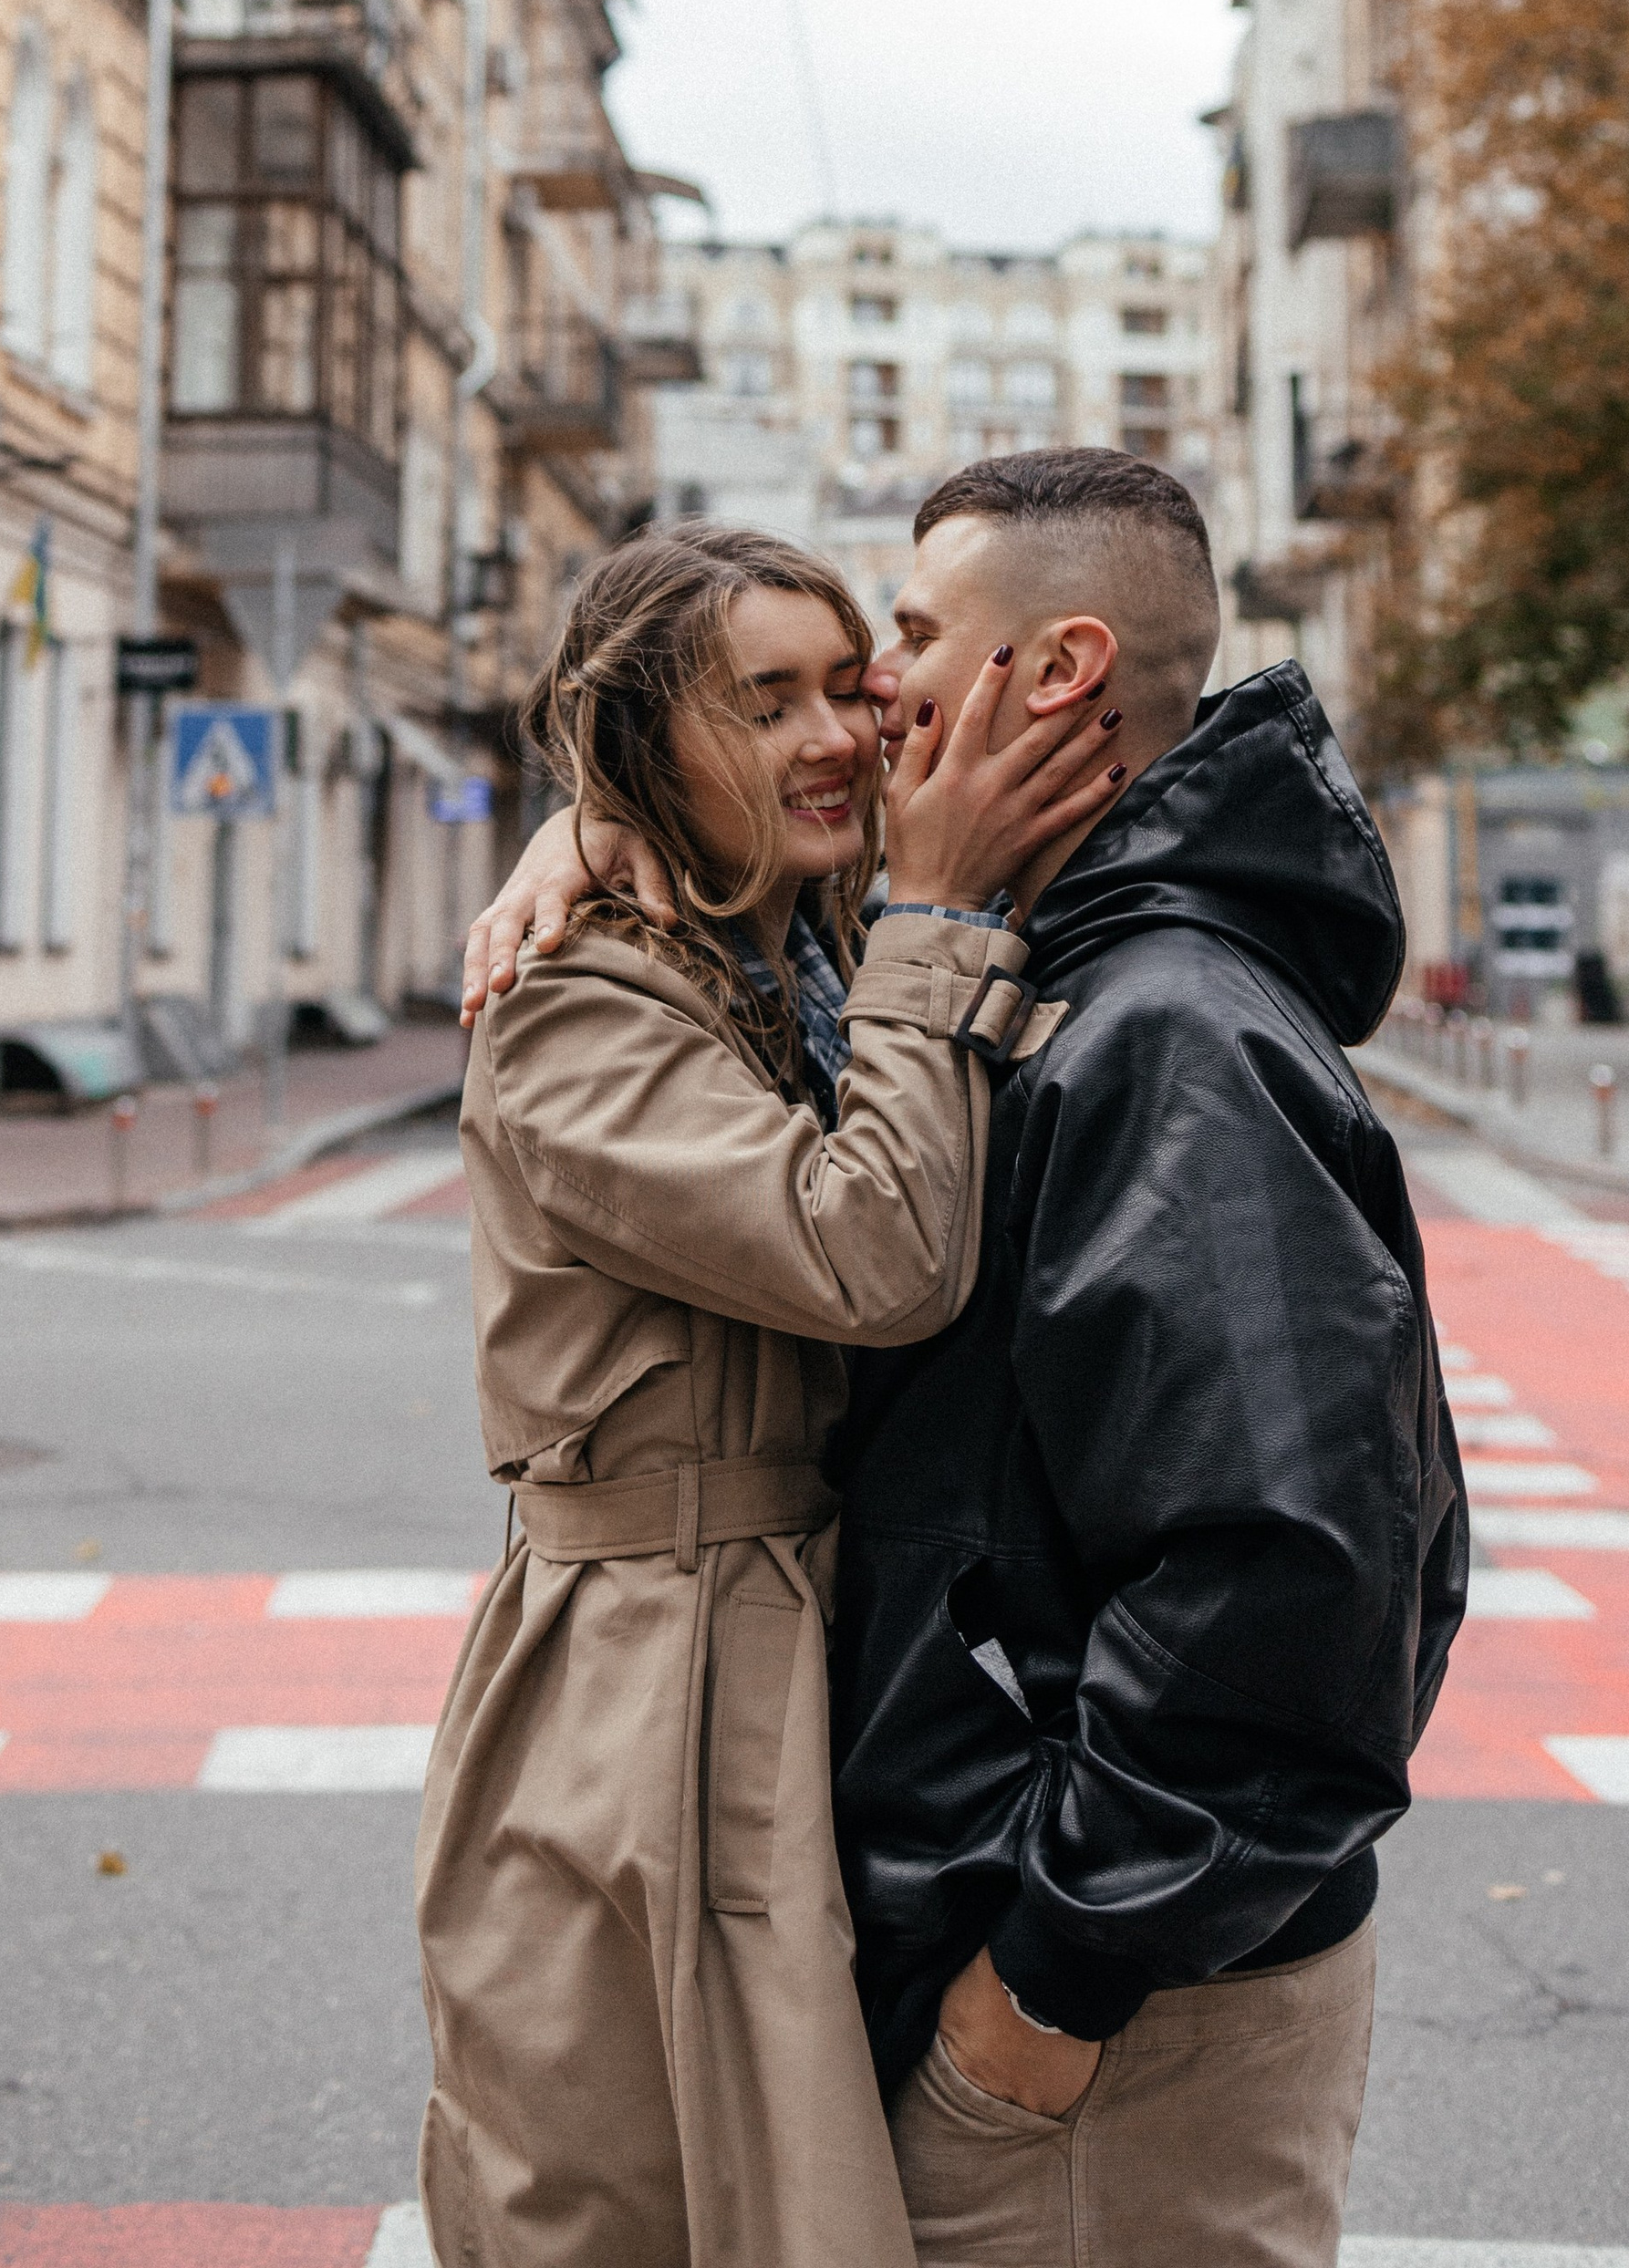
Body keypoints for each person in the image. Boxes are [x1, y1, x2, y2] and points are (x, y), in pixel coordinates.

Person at [464, 449, 1467, 2268]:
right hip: (871, 1850)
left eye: (886, 650)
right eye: (780, 698)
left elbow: (1280, 1586)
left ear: (1052, 673)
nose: (867, 708)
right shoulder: (1023, 964)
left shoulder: (1153, 1029)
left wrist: (1049, 1980)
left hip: (1107, 1995)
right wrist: (602, 819)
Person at [417, 520, 1127, 2268]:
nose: (836, 732)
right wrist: (934, 911)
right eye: (762, 699)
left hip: (807, 1640)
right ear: (651, 743)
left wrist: (591, 832)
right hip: (647, 1679)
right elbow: (872, 1255)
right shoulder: (577, 1002)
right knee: (624, 2189)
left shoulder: (795, 948)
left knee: (801, 2184)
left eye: (845, 684)